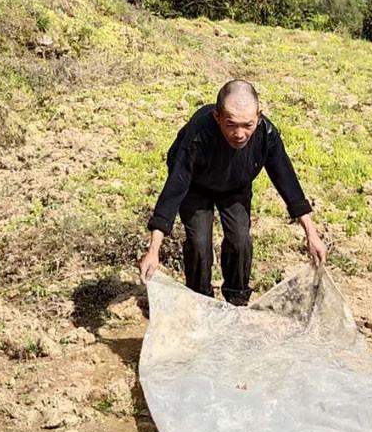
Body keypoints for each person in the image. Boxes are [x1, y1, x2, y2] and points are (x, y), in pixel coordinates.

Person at [137, 79, 327, 305]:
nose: (239, 134)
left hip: (236, 184)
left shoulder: (266, 134)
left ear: (258, 116)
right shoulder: (198, 136)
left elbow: (287, 182)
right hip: (195, 186)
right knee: (199, 242)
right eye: (231, 125)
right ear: (217, 117)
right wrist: (153, 249)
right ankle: (200, 301)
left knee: (240, 240)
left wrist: (311, 234)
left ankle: (236, 301)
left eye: (247, 125)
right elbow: (174, 189)